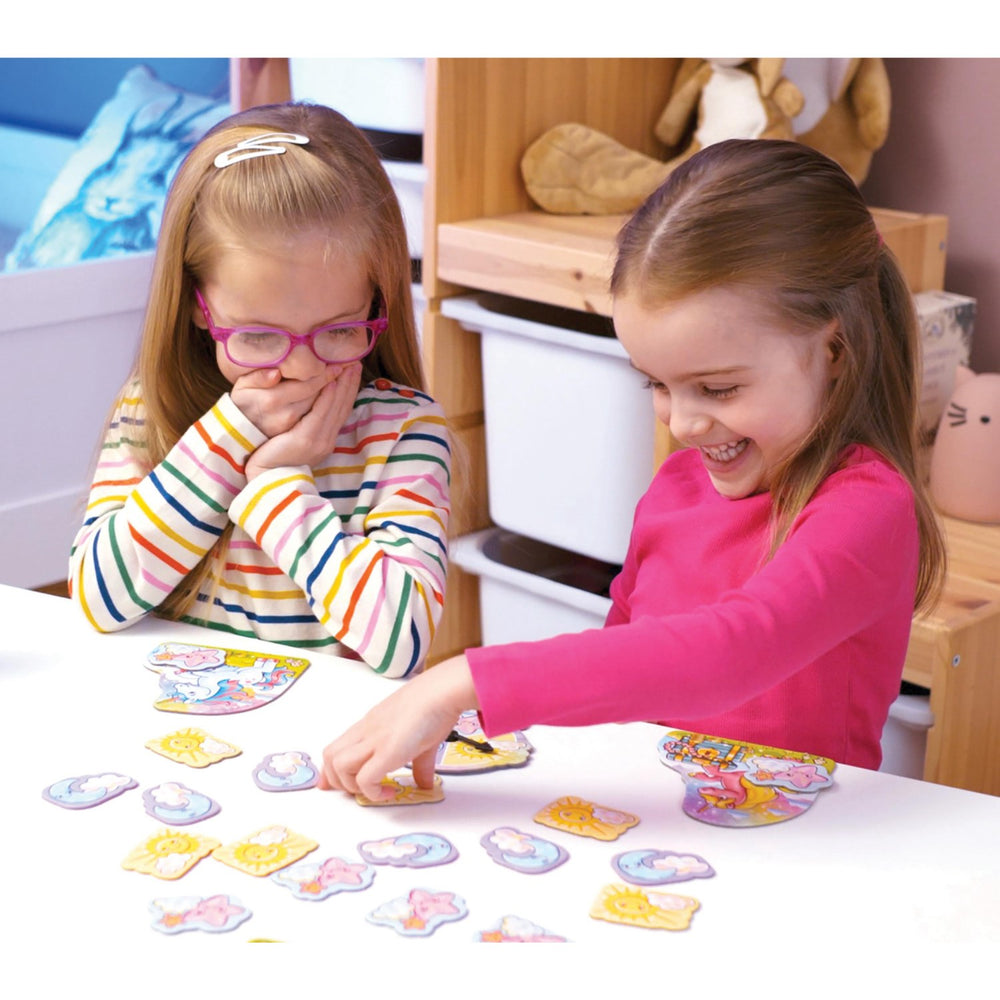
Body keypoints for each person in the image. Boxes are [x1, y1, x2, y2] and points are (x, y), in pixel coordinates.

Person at [318, 137, 946, 799]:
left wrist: (464, 681)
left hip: (801, 837)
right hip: (666, 820)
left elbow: (728, 655)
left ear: (836, 350)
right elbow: (628, 663)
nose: (683, 423)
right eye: (658, 384)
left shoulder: (868, 508)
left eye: (719, 388)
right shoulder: (679, 484)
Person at [69, 103, 451, 678]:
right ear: (196, 306)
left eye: (340, 330)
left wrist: (276, 481)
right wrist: (231, 436)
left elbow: (402, 640)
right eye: (258, 336)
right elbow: (98, 598)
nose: (299, 368)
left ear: (377, 300)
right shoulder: (152, 407)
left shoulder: (403, 432)